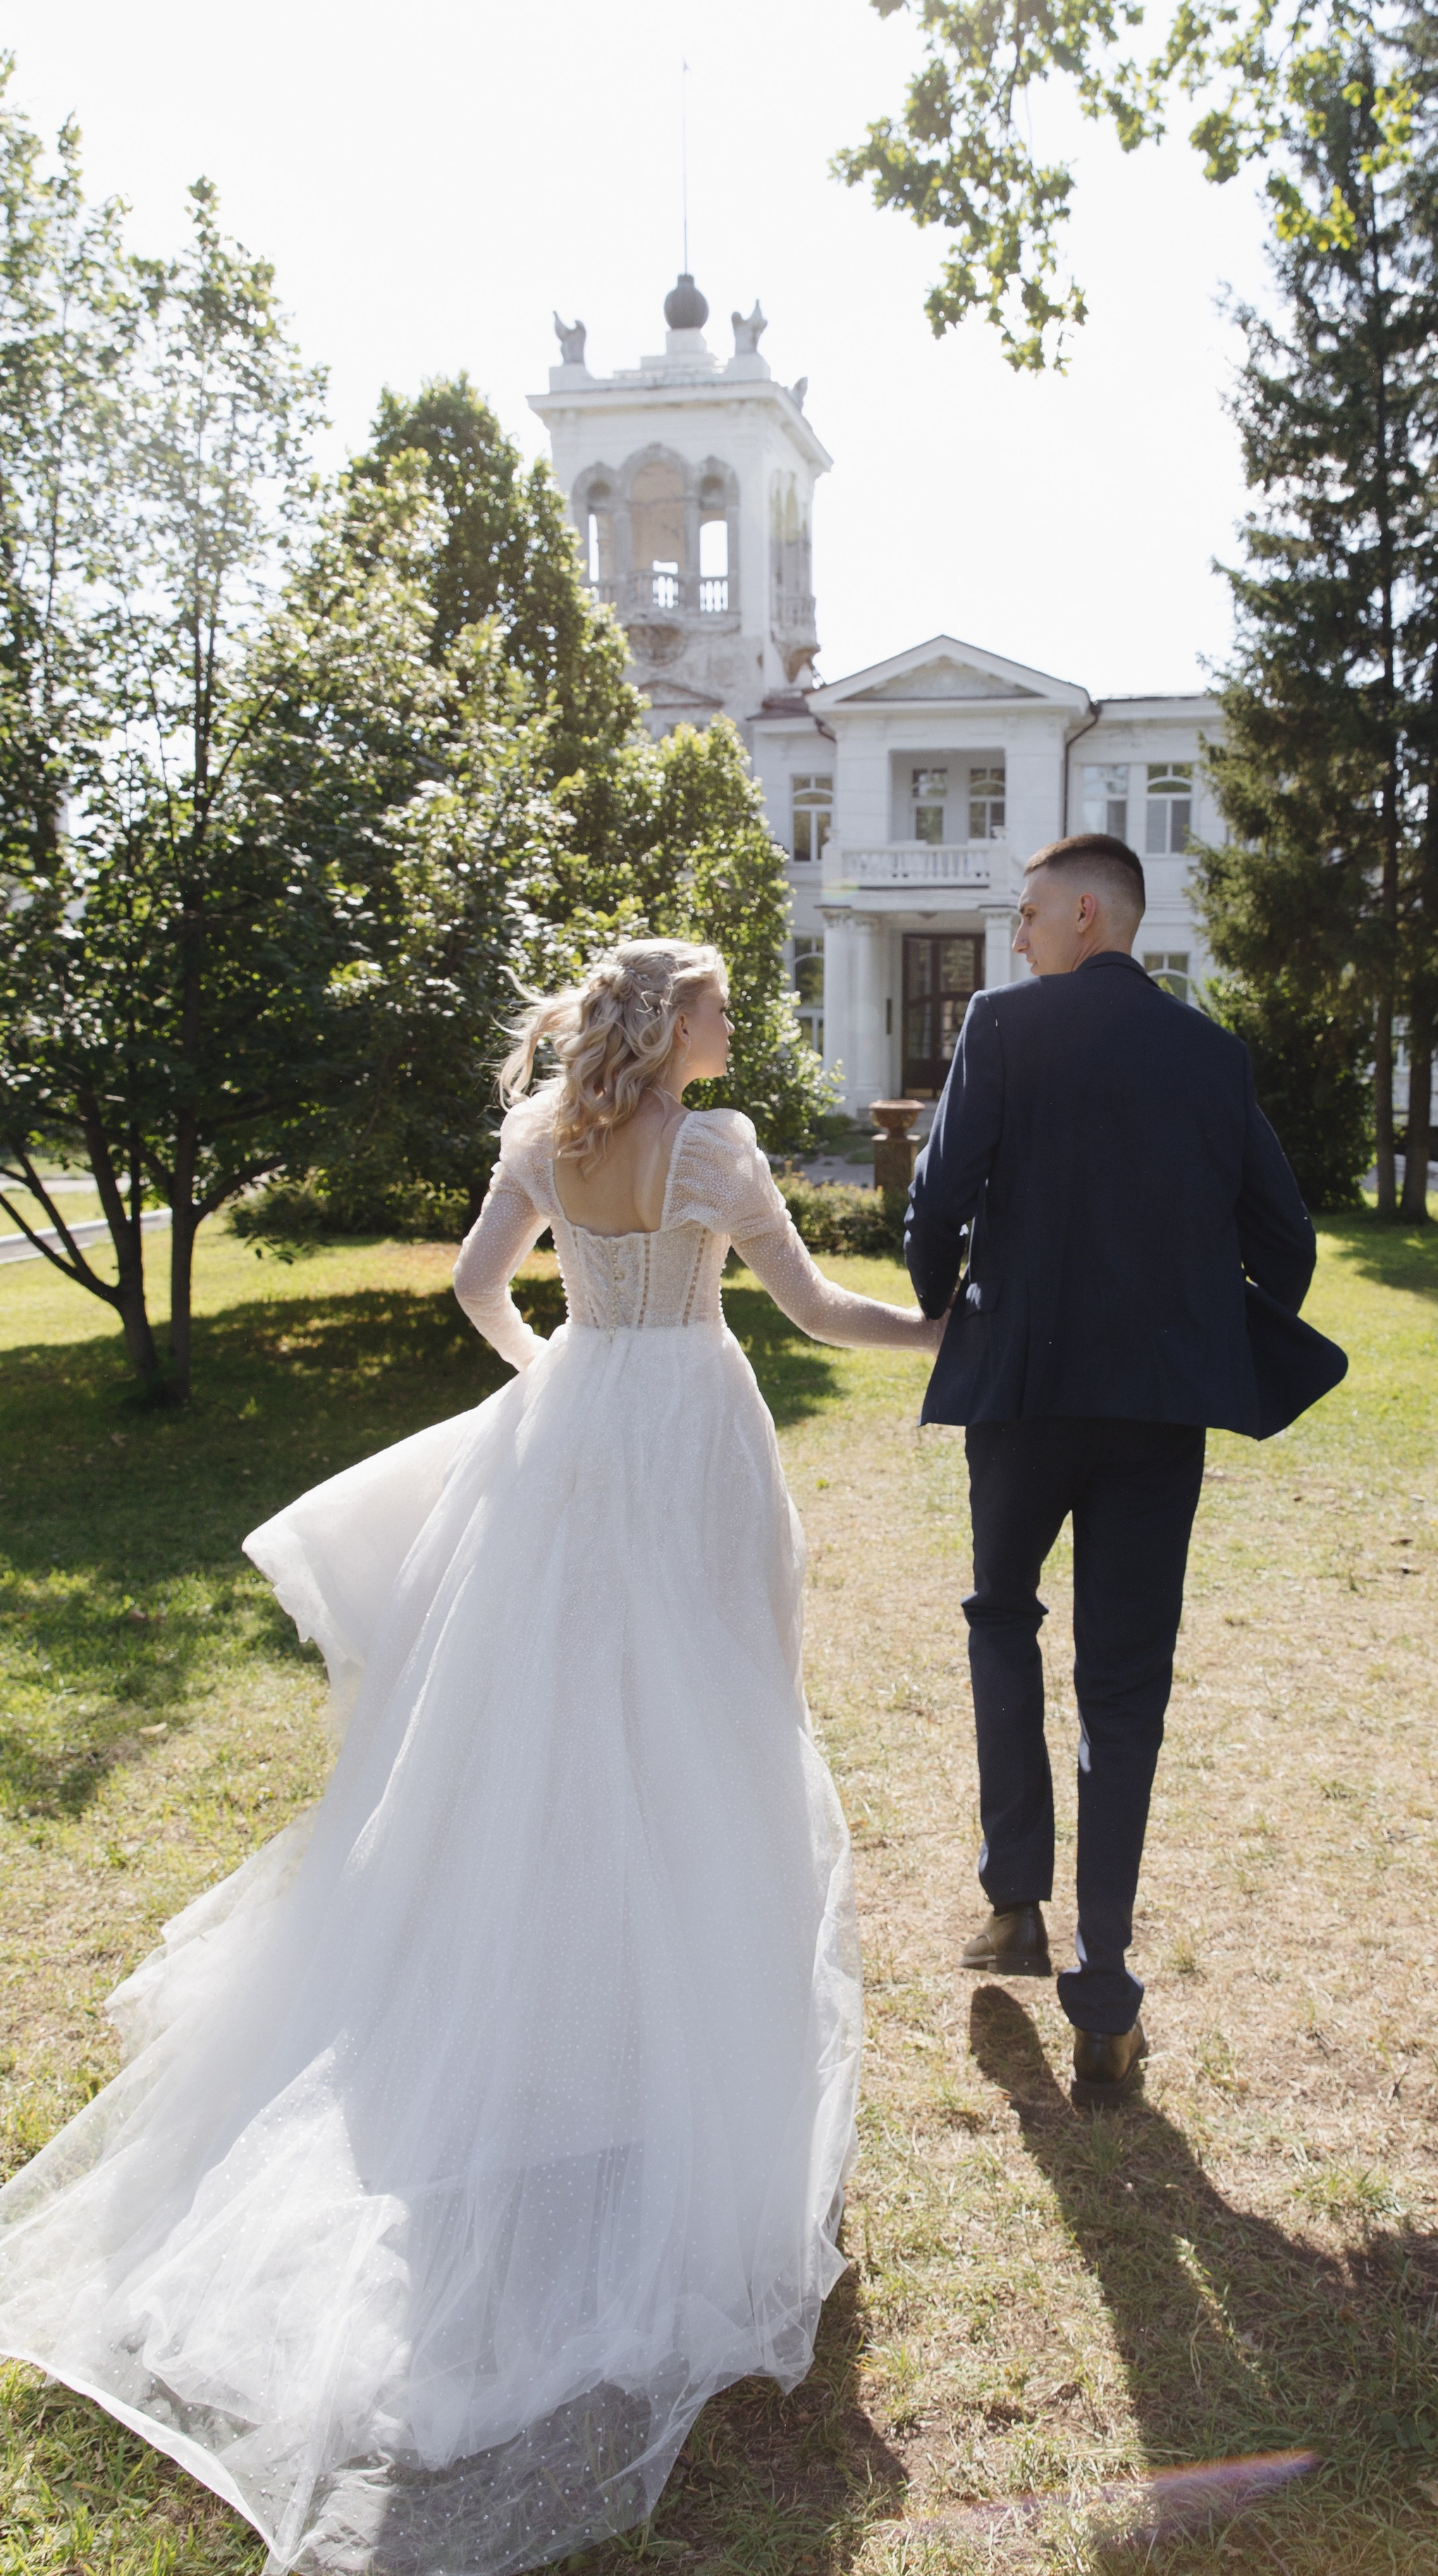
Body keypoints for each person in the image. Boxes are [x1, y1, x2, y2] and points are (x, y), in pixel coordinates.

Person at [0, 941, 939, 2576]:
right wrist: (961, 1339)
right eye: (723, 1005)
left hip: (573, 1433)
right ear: (676, 1023)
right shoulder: (713, 1151)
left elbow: (473, 1288)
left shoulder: (539, 1134)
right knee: (705, 1715)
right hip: (689, 1436)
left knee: (544, 1722)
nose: (737, 1026)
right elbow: (813, 1310)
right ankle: (656, 2029)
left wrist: (553, 1384)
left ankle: (552, 1997)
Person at [904, 834, 1346, 2107]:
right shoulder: (1212, 1056)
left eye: (1031, 913)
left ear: (1087, 911)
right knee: (1124, 1689)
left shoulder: (1001, 1027)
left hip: (1025, 1397)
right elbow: (1286, 1241)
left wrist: (948, 1299)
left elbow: (939, 1211)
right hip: (1160, 1412)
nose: (1019, 935)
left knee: (1001, 1621)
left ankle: (1014, 1909)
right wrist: (1197, 1321)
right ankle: (1104, 1996)